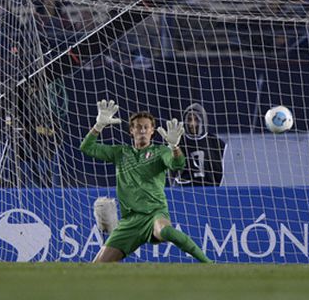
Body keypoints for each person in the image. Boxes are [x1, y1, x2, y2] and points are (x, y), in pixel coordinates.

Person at [79, 99, 212, 263]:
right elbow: (87, 148)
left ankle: (208, 263)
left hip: (154, 214)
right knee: (96, 266)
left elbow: (178, 164)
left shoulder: (160, 151)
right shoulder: (120, 153)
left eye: (146, 127)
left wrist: (175, 147)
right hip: (129, 222)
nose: (142, 130)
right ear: (131, 131)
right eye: (138, 127)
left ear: (152, 131)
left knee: (166, 231)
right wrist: (98, 126)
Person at [172, 103, 226, 186]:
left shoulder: (216, 143)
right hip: (185, 192)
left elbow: (222, 173)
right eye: (189, 119)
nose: (192, 124)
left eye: (196, 119)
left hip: (211, 191)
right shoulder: (179, 142)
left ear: (203, 120)